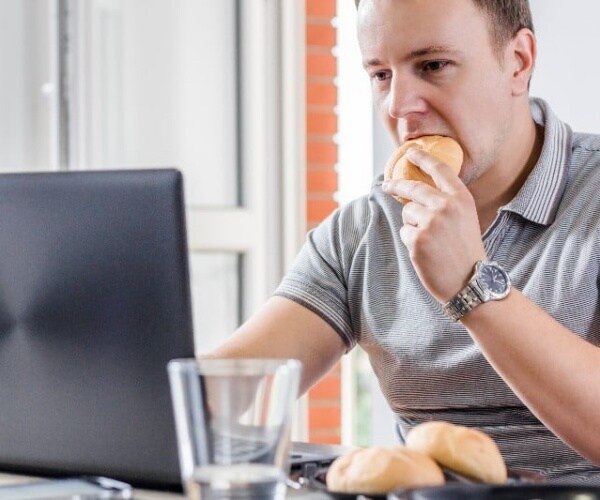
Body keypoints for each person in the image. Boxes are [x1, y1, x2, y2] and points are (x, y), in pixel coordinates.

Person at [208, 0, 600, 483]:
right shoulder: (365, 229)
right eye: (380, 75)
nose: (398, 106)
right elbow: (224, 388)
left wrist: (470, 285)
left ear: (518, 61)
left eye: (432, 66)